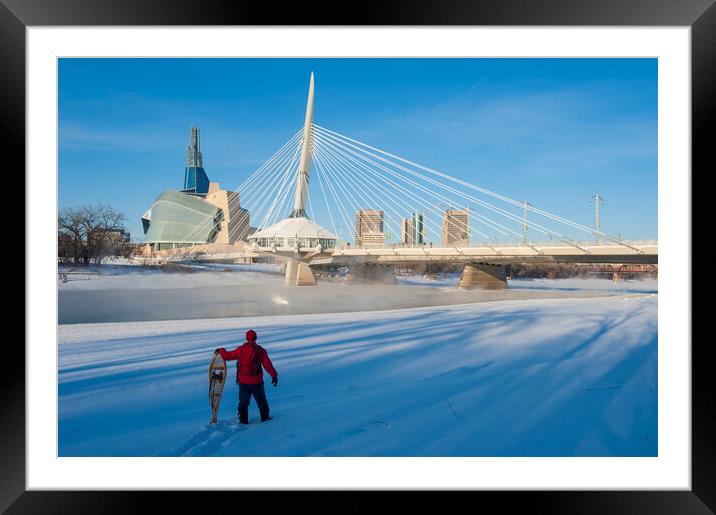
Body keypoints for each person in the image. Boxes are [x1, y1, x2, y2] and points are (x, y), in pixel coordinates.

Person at [215, 329, 278, 424]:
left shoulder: (241, 349)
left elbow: (228, 356)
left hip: (243, 381)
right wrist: (274, 376)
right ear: (256, 338)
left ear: (246, 338)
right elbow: (267, 365)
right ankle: (265, 419)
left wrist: (221, 350)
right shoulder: (261, 350)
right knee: (261, 401)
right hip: (257, 382)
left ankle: (243, 421)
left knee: (243, 403)